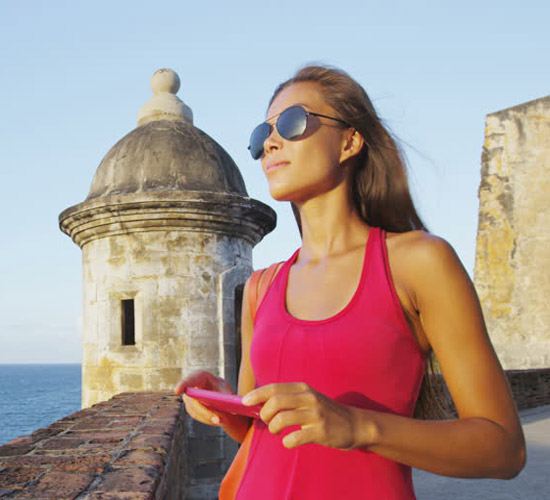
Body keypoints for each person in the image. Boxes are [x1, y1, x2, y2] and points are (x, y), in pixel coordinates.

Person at [174, 64, 526, 499]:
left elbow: (503, 449)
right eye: (260, 135)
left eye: (292, 122)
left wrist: (356, 425)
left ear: (349, 141)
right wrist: (226, 406)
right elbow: (263, 437)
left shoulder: (419, 262)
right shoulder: (261, 287)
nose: (270, 142)